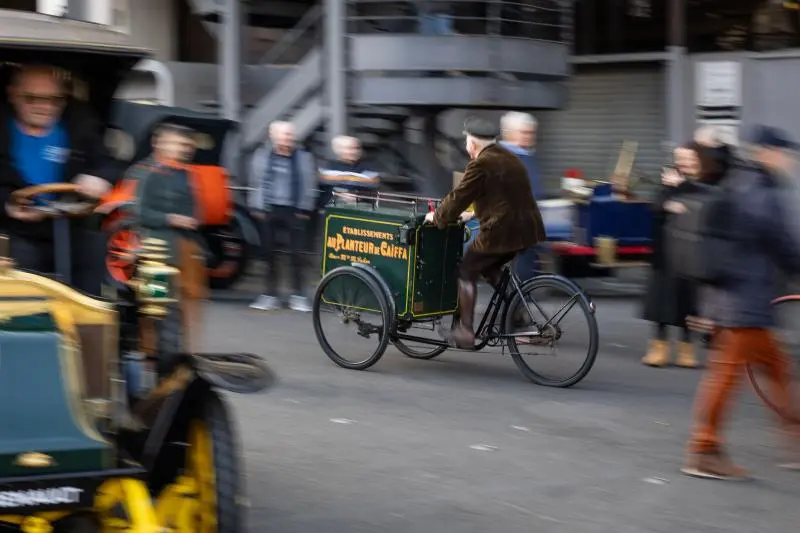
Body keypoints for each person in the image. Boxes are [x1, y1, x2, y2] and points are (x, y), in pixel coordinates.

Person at [682, 126, 800, 480]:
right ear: (766, 151)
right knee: (726, 375)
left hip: (731, 297)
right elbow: (783, 244)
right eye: (784, 152)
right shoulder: (762, 191)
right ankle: (704, 450)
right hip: (743, 302)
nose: (789, 159)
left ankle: (796, 436)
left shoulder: (740, 181)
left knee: (776, 368)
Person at [425, 117, 545, 349]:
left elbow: (458, 197)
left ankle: (465, 331)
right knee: (490, 268)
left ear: (472, 143)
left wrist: (438, 216)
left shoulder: (481, 164)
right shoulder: (510, 158)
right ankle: (519, 318)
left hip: (502, 231)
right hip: (526, 230)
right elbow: (502, 197)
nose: (467, 146)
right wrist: (474, 215)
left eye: (467, 141)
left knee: (467, 269)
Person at [0, 64, 115, 294]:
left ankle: (88, 319)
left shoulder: (79, 124)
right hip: (16, 229)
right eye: (32, 98)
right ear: (13, 94)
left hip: (68, 224)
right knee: (20, 259)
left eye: (54, 99)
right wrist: (7, 204)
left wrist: (98, 178)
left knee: (94, 246)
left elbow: (108, 164)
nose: (45, 106)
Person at [134, 123, 207, 354]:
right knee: (155, 314)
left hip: (185, 252)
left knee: (182, 317)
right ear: (159, 143)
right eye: (176, 143)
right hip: (155, 252)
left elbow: (195, 211)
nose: (183, 148)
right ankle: (152, 363)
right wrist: (171, 218)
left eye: (185, 144)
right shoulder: (146, 173)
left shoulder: (186, 175)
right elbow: (140, 213)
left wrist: (191, 218)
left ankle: (178, 361)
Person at [641, 144, 709, 369]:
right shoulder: (667, 179)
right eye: (680, 158)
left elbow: (705, 204)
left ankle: (686, 348)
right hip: (665, 252)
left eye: (688, 157)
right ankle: (659, 347)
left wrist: (682, 187)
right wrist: (668, 194)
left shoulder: (702, 182)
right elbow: (656, 205)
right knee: (662, 302)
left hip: (690, 253)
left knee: (687, 302)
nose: (684, 162)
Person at [247, 120, 317, 312]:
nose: (287, 138)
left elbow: (309, 183)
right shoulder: (262, 155)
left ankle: (298, 295)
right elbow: (256, 181)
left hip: (294, 209)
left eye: (290, 135)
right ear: (273, 136)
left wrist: (305, 208)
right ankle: (270, 295)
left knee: (297, 254)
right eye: (283, 134)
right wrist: (257, 205)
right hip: (269, 208)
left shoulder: (303, 157)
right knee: (269, 253)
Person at [499, 111, 543, 282]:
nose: (529, 137)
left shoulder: (527, 155)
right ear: (510, 133)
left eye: (531, 133)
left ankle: (518, 301)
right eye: (524, 133)